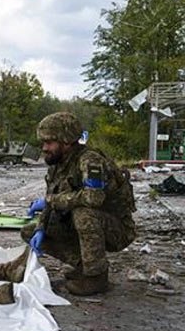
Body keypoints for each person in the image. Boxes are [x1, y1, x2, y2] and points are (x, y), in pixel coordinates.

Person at [22, 112, 136, 296]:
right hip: (87, 225)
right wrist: (42, 227)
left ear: (66, 142)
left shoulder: (90, 160)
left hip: (117, 228)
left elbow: (94, 198)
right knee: (29, 231)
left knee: (83, 213)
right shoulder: (58, 165)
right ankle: (84, 266)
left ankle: (96, 277)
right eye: (43, 143)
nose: (44, 148)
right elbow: (51, 198)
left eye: (50, 142)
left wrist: (51, 201)